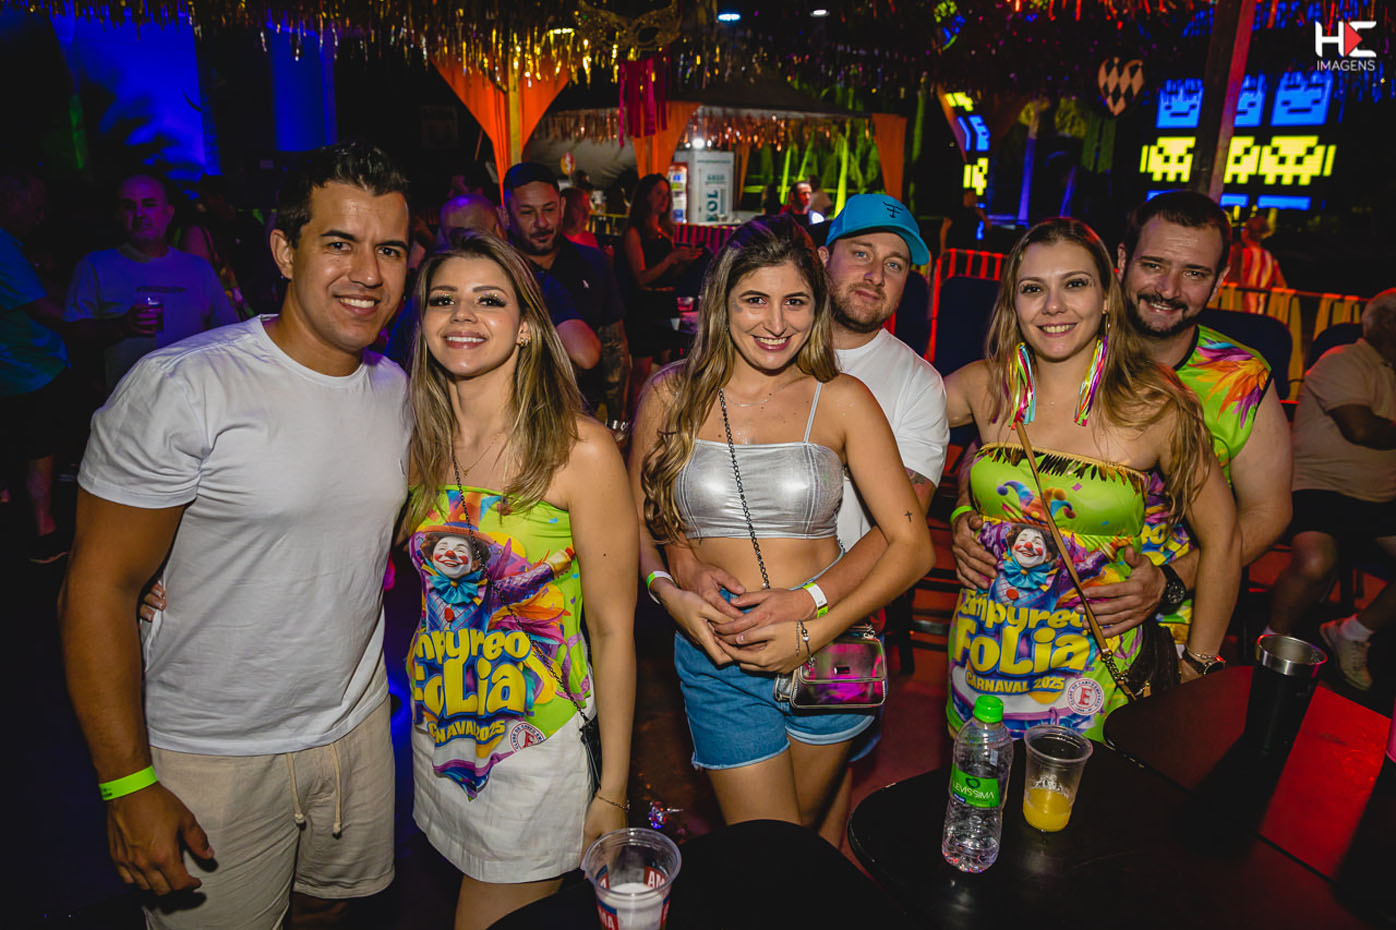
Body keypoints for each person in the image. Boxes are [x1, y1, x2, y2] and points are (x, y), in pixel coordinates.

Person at [60, 141, 413, 928]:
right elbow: (96, 588)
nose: (367, 273)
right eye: (340, 243)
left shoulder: (396, 390)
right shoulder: (185, 387)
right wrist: (127, 786)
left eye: (389, 249)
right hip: (212, 752)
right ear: (285, 251)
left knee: (326, 907)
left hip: (354, 732)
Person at [631, 215, 934, 831]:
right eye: (754, 300)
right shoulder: (668, 395)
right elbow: (633, 521)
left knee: (795, 845)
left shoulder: (843, 398)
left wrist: (811, 618)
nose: (776, 323)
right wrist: (672, 587)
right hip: (719, 653)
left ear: (816, 306)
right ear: (722, 301)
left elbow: (912, 546)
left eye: (794, 301)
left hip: (834, 647)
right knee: (765, 849)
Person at [403, 233, 635, 930]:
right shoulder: (417, 439)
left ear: (528, 327)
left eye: (488, 300)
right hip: (439, 733)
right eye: (443, 299)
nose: (462, 315)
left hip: (537, 745)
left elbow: (613, 631)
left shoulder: (579, 450)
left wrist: (613, 790)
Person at [941, 216, 1239, 740]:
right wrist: (961, 512)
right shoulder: (982, 387)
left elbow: (1225, 539)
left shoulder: (1156, 405)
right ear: (1014, 303)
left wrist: (1198, 663)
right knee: (977, 789)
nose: (1053, 306)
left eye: (1074, 284)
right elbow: (879, 436)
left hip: (1093, 680)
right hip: (980, 664)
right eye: (1033, 289)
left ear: (1106, 298)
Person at [953, 192, 1290, 652]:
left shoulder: (1240, 380)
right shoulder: (1057, 343)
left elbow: (1268, 513)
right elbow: (988, 446)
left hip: (1169, 623)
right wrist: (966, 513)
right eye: (1153, 265)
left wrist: (1171, 580)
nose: (1168, 289)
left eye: (1194, 274)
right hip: (1021, 604)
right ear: (1122, 261)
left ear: (1220, 281)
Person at [1267, 291, 1396, 690]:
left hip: (1379, 496)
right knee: (1315, 564)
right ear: (1387, 323)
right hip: (1319, 487)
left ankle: (1352, 633)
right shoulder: (1342, 360)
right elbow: (1360, 428)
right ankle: (1271, 643)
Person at [64, 172, 238, 393]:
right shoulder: (95, 266)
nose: (139, 214)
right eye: (129, 207)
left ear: (168, 213)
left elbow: (226, 333)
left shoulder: (198, 269)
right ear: (118, 215)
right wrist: (120, 327)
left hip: (192, 398)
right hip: (128, 402)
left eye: (149, 205)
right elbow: (75, 333)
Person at [502, 164, 630, 418]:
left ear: (562, 207)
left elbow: (614, 347)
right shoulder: (494, 272)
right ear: (505, 216)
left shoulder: (593, 263)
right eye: (527, 212)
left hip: (582, 416)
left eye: (549, 209)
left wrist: (618, 421)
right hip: (512, 417)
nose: (541, 222)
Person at [0, 168, 73, 563]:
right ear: (11, 199)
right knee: (39, 452)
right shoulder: (3, 245)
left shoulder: (11, 245)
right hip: (27, 370)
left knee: (30, 450)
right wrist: (97, 324)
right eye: (36, 207)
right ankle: (44, 536)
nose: (40, 217)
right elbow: (43, 309)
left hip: (20, 368)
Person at [622, 172, 702, 394]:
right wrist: (672, 258)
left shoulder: (665, 231)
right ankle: (634, 413)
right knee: (641, 370)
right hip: (645, 305)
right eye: (659, 193)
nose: (664, 199)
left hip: (666, 301)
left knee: (670, 366)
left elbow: (668, 274)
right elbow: (641, 277)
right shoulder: (634, 232)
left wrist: (685, 262)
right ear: (646, 196)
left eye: (667, 195)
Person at [1227, 213, 1287, 312]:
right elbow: (1282, 285)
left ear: (1247, 232)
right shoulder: (1270, 259)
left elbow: (1229, 279)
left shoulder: (1241, 254)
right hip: (1259, 310)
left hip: (1237, 307)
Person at [560, 185, 600, 250]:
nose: (586, 216)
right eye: (582, 210)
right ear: (564, 208)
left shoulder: (589, 238)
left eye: (588, 210)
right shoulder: (551, 243)